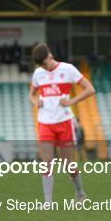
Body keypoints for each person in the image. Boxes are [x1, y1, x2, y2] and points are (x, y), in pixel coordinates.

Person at [29, 43, 95, 203]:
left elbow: (90, 89)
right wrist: (36, 101)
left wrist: (71, 100)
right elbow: (31, 94)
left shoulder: (68, 69)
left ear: (50, 56)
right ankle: (48, 202)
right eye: (41, 65)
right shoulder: (38, 73)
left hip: (64, 122)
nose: (44, 67)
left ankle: (79, 192)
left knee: (69, 165)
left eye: (45, 63)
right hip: (45, 123)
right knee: (47, 163)